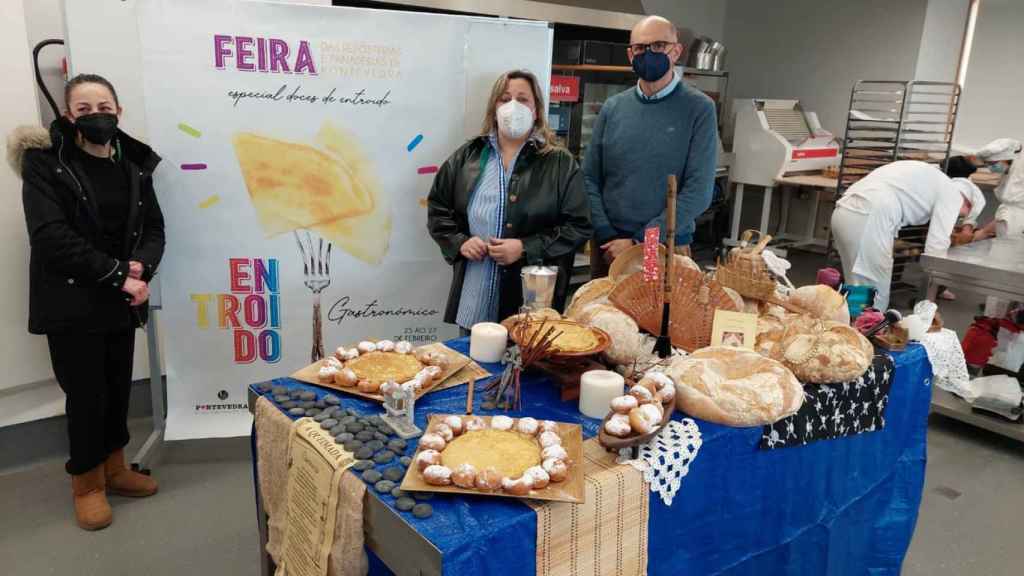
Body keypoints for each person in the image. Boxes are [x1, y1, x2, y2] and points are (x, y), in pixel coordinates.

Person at [8, 74, 165, 530]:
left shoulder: (133, 164)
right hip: (72, 303)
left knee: (117, 389)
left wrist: (140, 268)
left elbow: (153, 228)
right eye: (84, 108)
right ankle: (88, 484)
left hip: (121, 301)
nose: (96, 114)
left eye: (104, 105)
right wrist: (119, 275)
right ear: (67, 115)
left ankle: (117, 470)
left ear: (119, 111)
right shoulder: (45, 163)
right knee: (86, 396)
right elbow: (50, 236)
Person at [427, 70, 591, 331]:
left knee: (524, 369)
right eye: (505, 99)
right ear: (494, 108)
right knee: (475, 367)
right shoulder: (467, 156)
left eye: (523, 99)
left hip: (530, 304)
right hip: (475, 297)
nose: (513, 106)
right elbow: (438, 210)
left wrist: (525, 248)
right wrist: (460, 242)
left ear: (536, 110)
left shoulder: (560, 163)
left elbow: (579, 227)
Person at [584, 15, 718, 278]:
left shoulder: (699, 108)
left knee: (655, 318)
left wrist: (639, 243)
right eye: (641, 48)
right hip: (610, 246)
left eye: (658, 46)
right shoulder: (613, 108)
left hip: (662, 246)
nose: (649, 53)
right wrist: (607, 233)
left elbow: (699, 192)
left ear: (676, 51)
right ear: (630, 55)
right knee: (602, 317)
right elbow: (589, 177)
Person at [830, 160, 984, 310]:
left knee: (857, 281)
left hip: (844, 210)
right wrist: (935, 286)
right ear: (968, 204)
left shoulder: (934, 178)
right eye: (962, 215)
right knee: (875, 289)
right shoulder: (953, 195)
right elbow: (936, 246)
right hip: (870, 215)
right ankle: (868, 329)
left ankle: (851, 325)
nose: (957, 218)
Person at [959, 138, 1023, 240]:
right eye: (987, 164)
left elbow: (1013, 213)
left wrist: (984, 231)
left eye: (993, 163)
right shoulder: (1008, 175)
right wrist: (985, 231)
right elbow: (1007, 213)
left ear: (1007, 158)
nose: (990, 168)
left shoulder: (1020, 177)